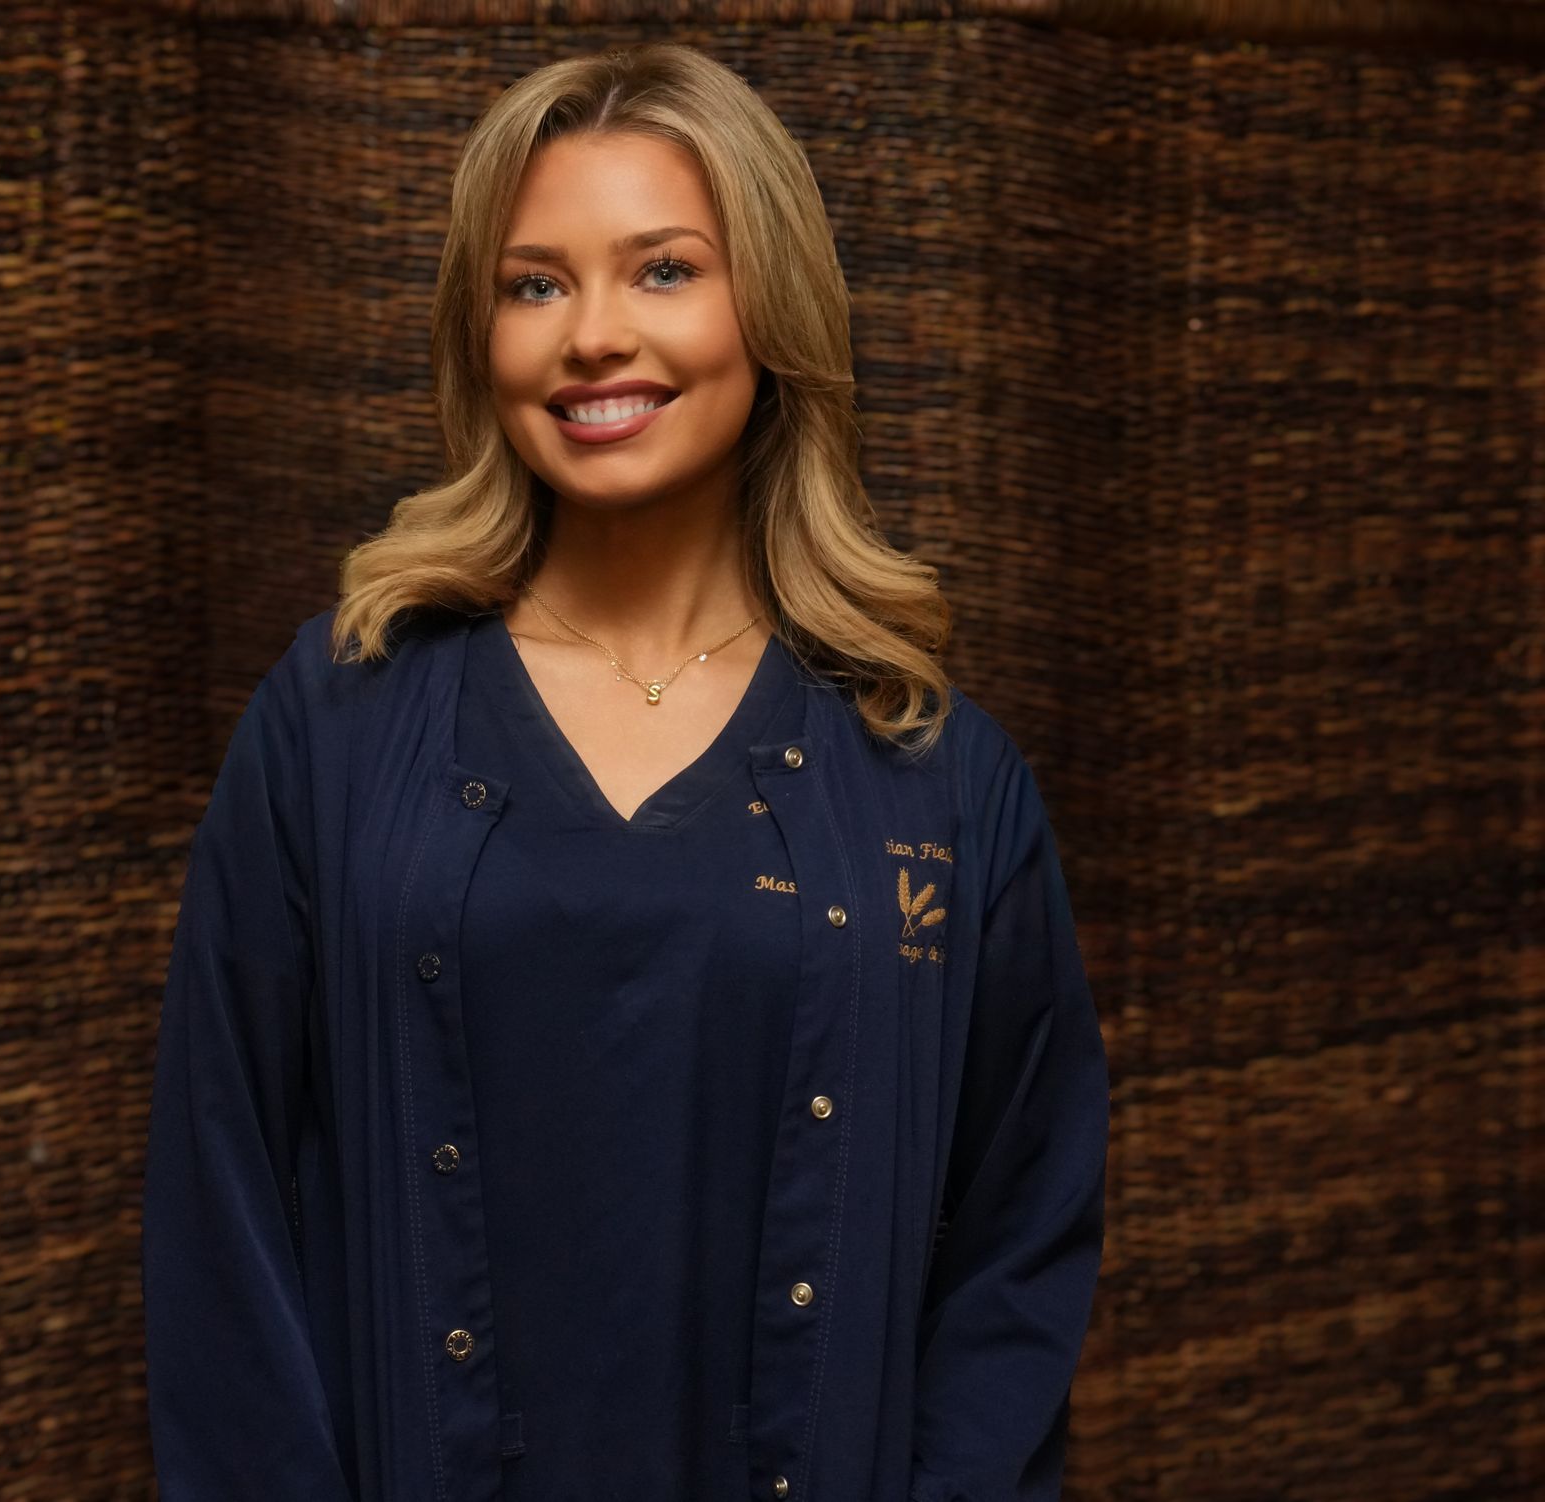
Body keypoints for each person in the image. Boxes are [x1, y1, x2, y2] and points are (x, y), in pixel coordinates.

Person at [141, 40, 1109, 1502]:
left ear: (768, 306)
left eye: (663, 270)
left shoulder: (937, 781)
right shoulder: (332, 726)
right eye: (534, 284)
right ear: (482, 335)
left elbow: (1019, 1242)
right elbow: (221, 1206)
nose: (592, 335)